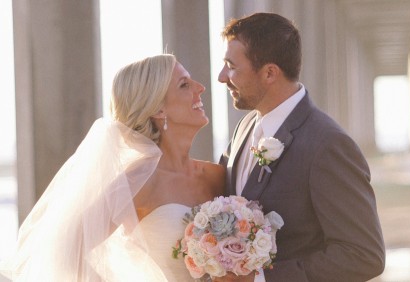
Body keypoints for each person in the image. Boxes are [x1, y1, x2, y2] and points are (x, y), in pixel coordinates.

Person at [0, 54, 224, 281]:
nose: (201, 88)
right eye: (184, 84)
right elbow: (65, 250)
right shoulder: (138, 180)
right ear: (158, 110)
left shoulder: (217, 175)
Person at [218, 13, 385, 281]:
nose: (221, 77)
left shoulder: (328, 145)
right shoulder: (244, 127)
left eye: (231, 66)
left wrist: (261, 279)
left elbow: (364, 255)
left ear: (270, 72)